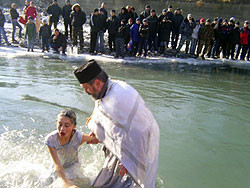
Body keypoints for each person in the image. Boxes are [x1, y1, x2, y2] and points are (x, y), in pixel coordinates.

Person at [73, 60, 159, 188]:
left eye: (86, 88)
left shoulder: (119, 98)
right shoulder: (110, 88)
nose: (85, 92)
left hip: (142, 143)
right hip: (125, 144)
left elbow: (139, 132)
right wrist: (98, 134)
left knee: (137, 181)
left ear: (97, 83)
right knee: (110, 179)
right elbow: (105, 114)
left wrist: (129, 162)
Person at [44, 109, 95, 188]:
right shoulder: (50, 140)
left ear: (74, 126)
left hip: (73, 166)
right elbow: (57, 164)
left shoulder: (79, 137)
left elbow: (97, 139)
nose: (62, 129)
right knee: (47, 183)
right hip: (58, 167)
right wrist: (65, 182)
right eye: (60, 124)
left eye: (66, 125)